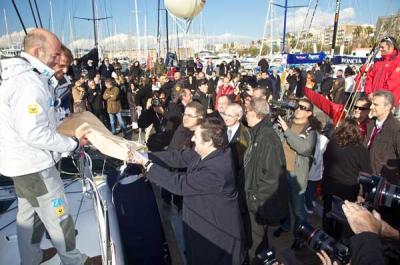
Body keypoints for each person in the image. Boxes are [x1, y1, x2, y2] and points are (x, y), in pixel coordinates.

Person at [0, 28, 100, 265]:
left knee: (29, 216)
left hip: (21, 166)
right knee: (59, 215)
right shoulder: (29, 84)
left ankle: (31, 257)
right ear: (37, 51)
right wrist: (73, 143)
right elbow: (34, 132)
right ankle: (76, 261)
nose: (58, 62)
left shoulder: (21, 78)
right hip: (35, 165)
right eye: (55, 56)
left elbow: (39, 121)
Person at [129, 117, 245, 265]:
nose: (192, 138)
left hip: (216, 237)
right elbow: (179, 157)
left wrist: (146, 164)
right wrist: (146, 155)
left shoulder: (217, 170)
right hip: (202, 227)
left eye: (196, 136)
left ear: (209, 141)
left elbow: (179, 185)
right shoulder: (209, 151)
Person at [243, 98, 288, 261]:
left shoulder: (267, 138)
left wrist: (254, 200)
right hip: (254, 200)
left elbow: (272, 177)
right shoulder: (256, 133)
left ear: (255, 113)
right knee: (258, 241)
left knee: (256, 245)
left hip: (257, 204)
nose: (245, 114)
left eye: (247, 111)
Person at [273, 99, 317, 249]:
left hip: (296, 176)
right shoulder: (287, 122)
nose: (298, 109)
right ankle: (285, 226)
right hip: (281, 172)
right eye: (297, 106)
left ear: (309, 113)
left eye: (303, 108)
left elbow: (304, 148)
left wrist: (286, 130)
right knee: (283, 203)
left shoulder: (310, 131)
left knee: (299, 209)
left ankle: (301, 236)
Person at [322, 118, 372, 240]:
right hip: (348, 189)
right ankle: (336, 239)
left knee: (328, 212)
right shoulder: (360, 150)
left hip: (330, 184)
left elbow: (325, 160)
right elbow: (367, 172)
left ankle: (327, 237)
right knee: (342, 216)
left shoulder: (332, 143)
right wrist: (365, 193)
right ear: (356, 131)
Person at [365, 90, 400, 185]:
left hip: (383, 182)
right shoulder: (369, 123)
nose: (371, 107)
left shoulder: (395, 128)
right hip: (366, 175)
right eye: (372, 104)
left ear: (387, 107)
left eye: (375, 104)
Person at [365, 36, 400, 108]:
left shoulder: (397, 62)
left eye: (382, 47)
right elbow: (369, 77)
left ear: (391, 47)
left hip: (387, 102)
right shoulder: (379, 62)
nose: (380, 49)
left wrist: (378, 95)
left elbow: (393, 83)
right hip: (374, 100)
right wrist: (369, 92)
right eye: (380, 47)